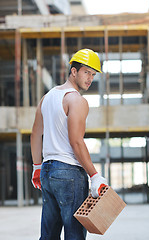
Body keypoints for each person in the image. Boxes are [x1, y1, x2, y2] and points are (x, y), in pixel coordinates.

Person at [31, 49, 108, 240]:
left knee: (48, 235)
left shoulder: (46, 98)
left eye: (93, 74)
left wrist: (37, 167)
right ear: (73, 71)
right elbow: (76, 141)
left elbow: (35, 134)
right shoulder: (77, 100)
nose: (90, 78)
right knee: (74, 235)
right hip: (69, 173)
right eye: (86, 72)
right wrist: (94, 175)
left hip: (48, 172)